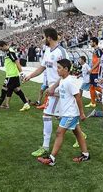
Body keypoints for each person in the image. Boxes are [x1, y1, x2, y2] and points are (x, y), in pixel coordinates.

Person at [23, 28, 70, 157]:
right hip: (53, 89)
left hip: (60, 89)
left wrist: (54, 86)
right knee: (65, 117)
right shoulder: (48, 50)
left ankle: (45, 147)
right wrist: (30, 76)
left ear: (49, 37)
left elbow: (66, 72)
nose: (42, 39)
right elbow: (42, 67)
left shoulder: (61, 52)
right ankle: (81, 136)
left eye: (43, 37)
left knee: (46, 116)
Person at [37, 59, 90, 166]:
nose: (57, 70)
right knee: (78, 133)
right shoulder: (62, 80)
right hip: (68, 113)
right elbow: (65, 95)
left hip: (70, 114)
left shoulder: (70, 81)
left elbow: (78, 97)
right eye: (57, 67)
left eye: (59, 68)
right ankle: (85, 155)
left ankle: (51, 159)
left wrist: (82, 113)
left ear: (66, 69)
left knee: (59, 132)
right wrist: (53, 94)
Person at [0, 40, 30, 113]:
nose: (1, 50)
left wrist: (22, 73)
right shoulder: (8, 52)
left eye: (1, 48)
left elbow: (17, 62)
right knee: (17, 90)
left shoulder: (10, 52)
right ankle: (26, 104)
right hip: (12, 75)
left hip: (11, 75)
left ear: (4, 46)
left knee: (4, 90)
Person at [86, 37, 103, 108]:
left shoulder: (99, 50)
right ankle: (93, 102)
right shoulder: (95, 50)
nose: (90, 43)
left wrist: (92, 69)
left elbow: (99, 61)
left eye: (91, 42)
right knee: (91, 86)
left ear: (95, 42)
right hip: (93, 71)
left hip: (97, 72)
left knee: (97, 87)